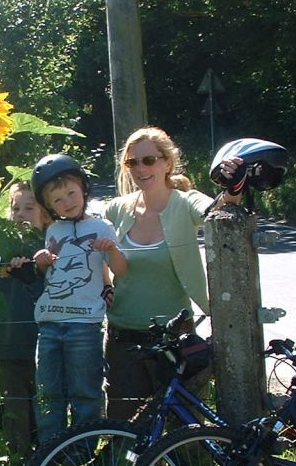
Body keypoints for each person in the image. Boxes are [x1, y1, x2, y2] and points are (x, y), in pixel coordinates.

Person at [103, 126, 243, 421]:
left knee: (185, 431)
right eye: (132, 162)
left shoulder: (185, 201)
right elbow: (92, 244)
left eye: (149, 160)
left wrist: (233, 188)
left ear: (168, 163)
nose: (141, 169)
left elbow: (216, 210)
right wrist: (105, 286)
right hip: (123, 338)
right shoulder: (117, 210)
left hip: (174, 339)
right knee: (124, 432)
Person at [30, 154, 128, 443]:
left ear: (84, 189)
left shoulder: (101, 227)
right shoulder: (53, 230)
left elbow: (120, 270)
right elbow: (50, 274)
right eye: (57, 200)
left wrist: (111, 250)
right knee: (48, 392)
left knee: (86, 392)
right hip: (49, 323)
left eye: (71, 193)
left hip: (85, 324)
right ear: (48, 205)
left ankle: (83, 456)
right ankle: (50, 456)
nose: (67, 202)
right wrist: (41, 261)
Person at [0, 182, 51, 462]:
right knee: (15, 408)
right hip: (8, 345)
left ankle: (48, 462)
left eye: (29, 207)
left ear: (45, 215)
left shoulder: (48, 252)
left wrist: (32, 275)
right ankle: (19, 465)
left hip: (44, 345)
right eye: (15, 208)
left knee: (45, 408)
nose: (21, 214)